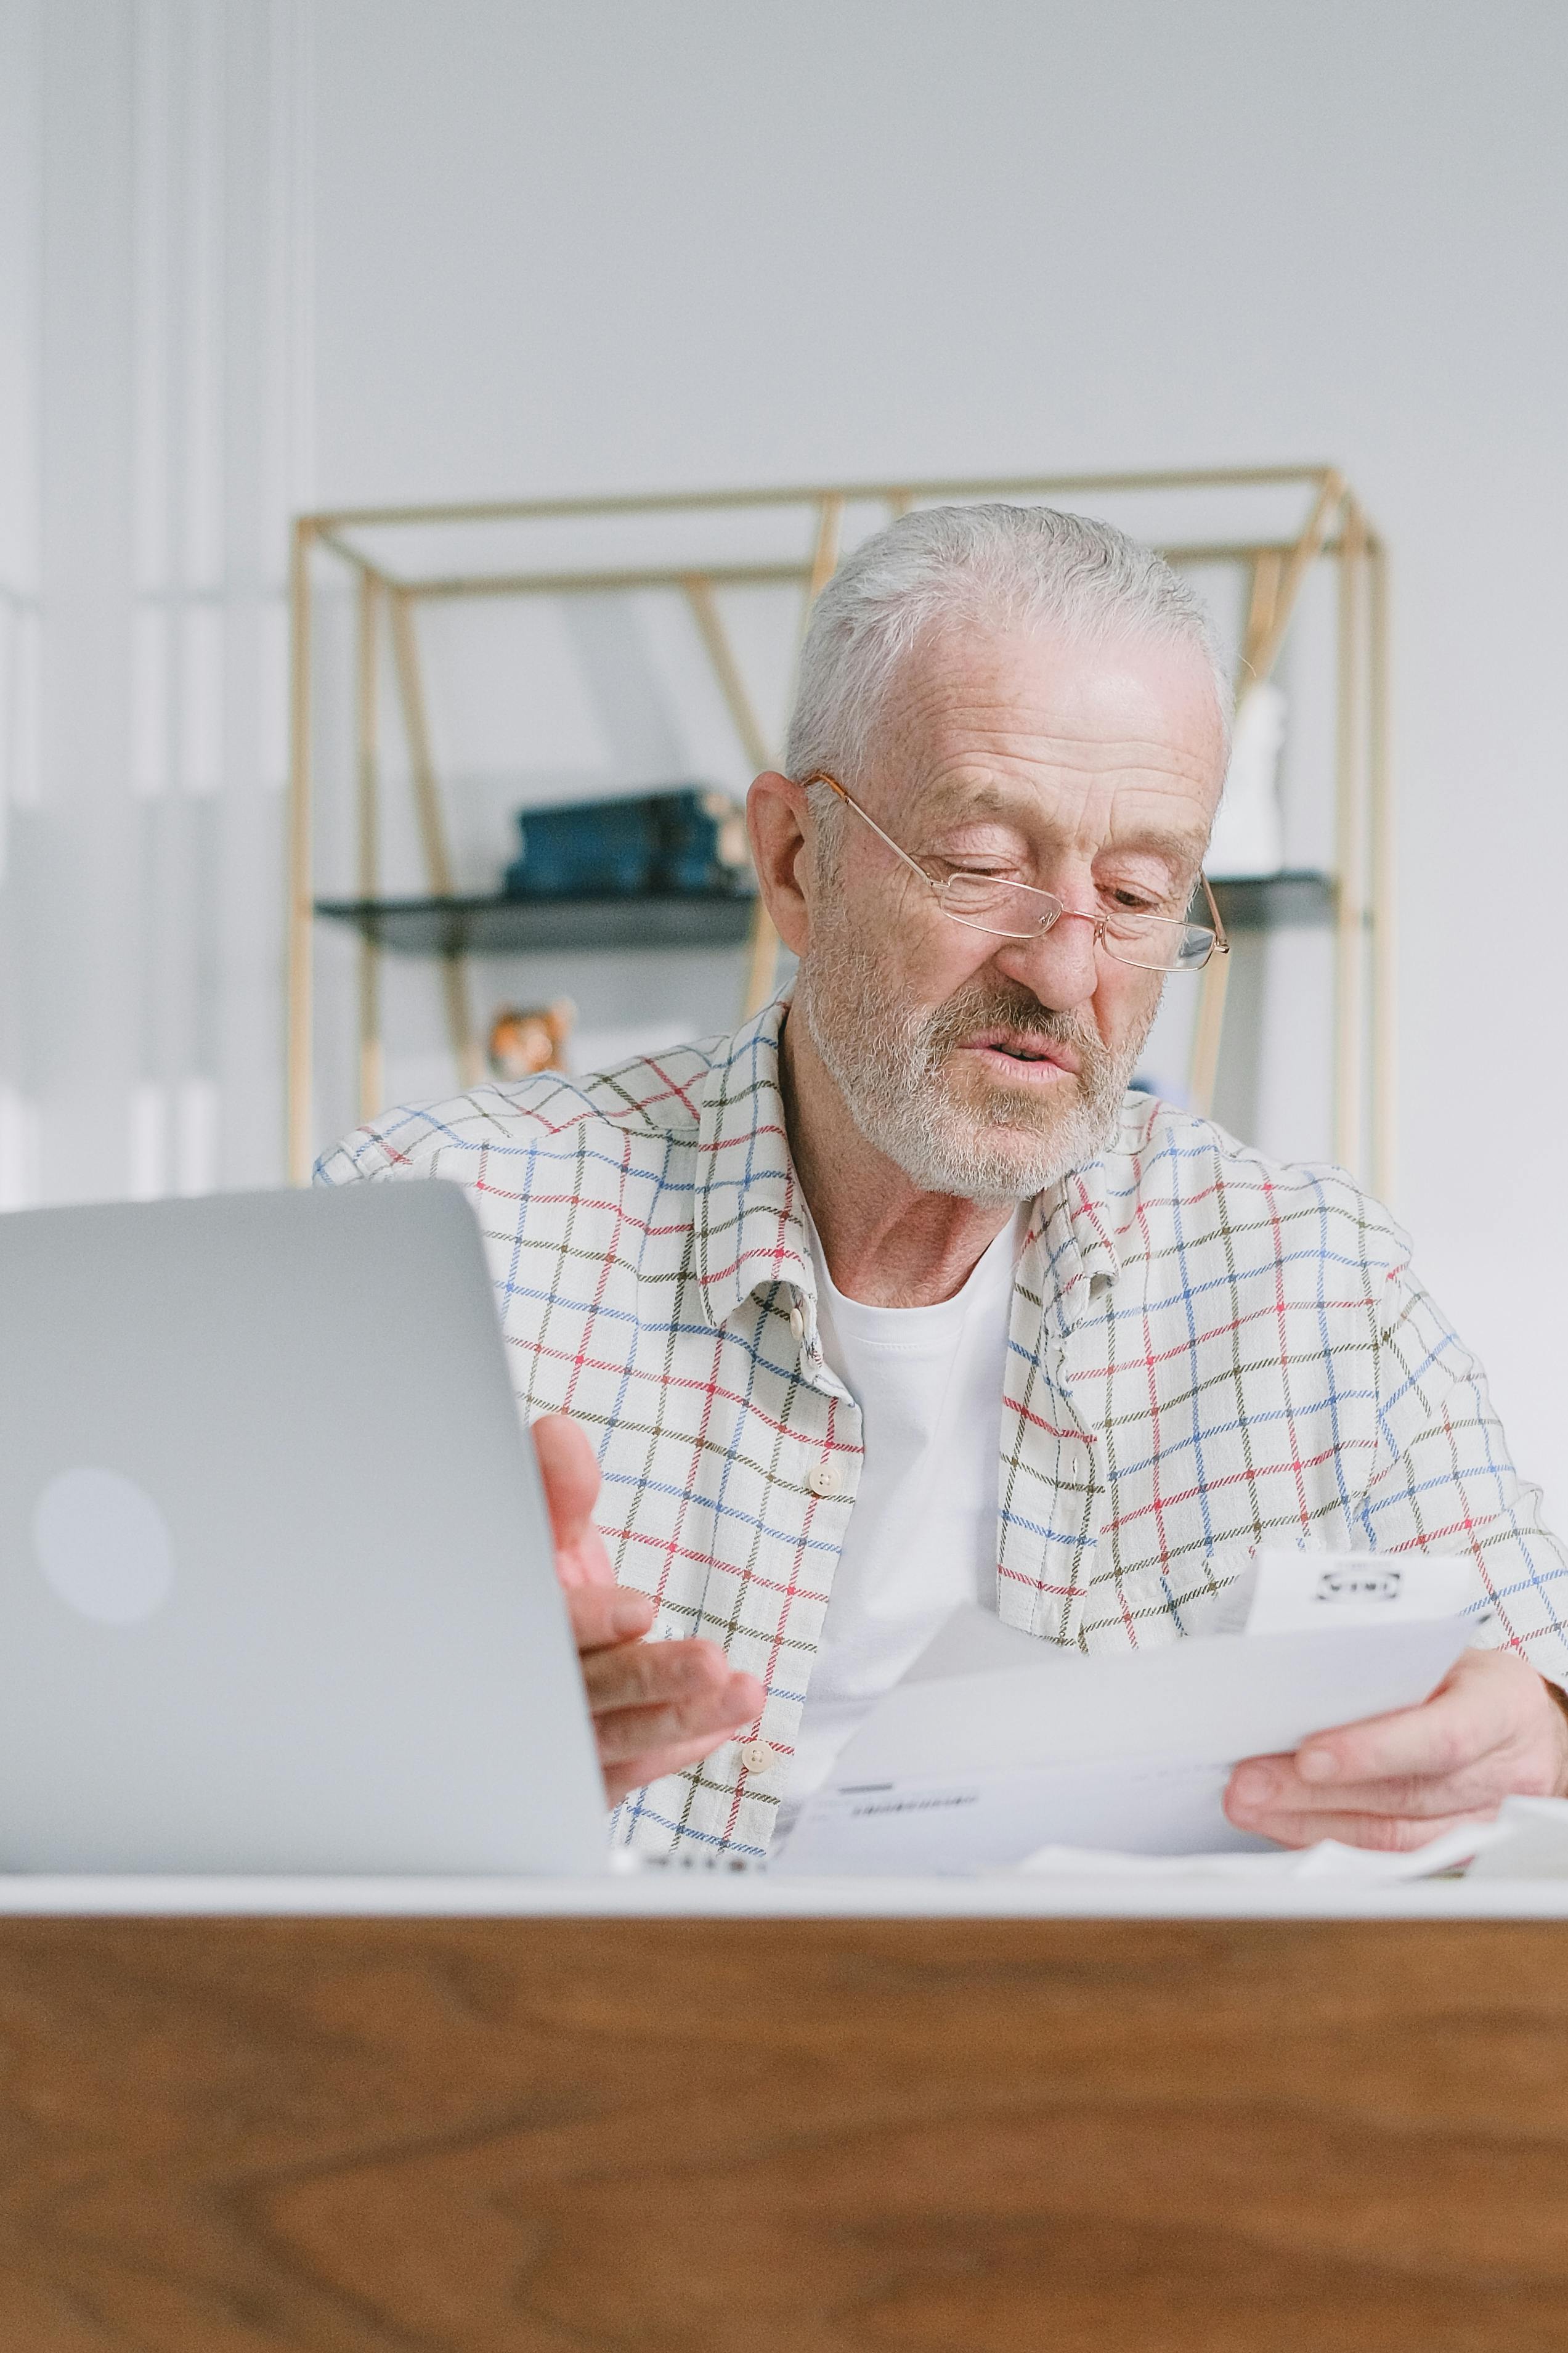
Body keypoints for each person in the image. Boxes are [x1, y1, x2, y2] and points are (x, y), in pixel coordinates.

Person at [318, 503, 1568, 1862]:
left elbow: (1538, 1686)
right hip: (601, 2046)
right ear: (797, 862)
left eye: (1140, 896)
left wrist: (1536, 1740)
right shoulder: (439, 1230)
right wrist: (417, 1737)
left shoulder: (1310, 1277)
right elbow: (178, 1753)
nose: (1065, 968)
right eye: (980, 866)